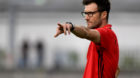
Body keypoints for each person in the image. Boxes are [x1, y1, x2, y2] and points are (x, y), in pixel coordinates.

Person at [54, 0, 119, 78]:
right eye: (85, 13)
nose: (86, 18)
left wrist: (71, 26)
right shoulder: (97, 41)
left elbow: (86, 32)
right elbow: (115, 69)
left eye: (90, 14)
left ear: (104, 15)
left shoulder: (108, 34)